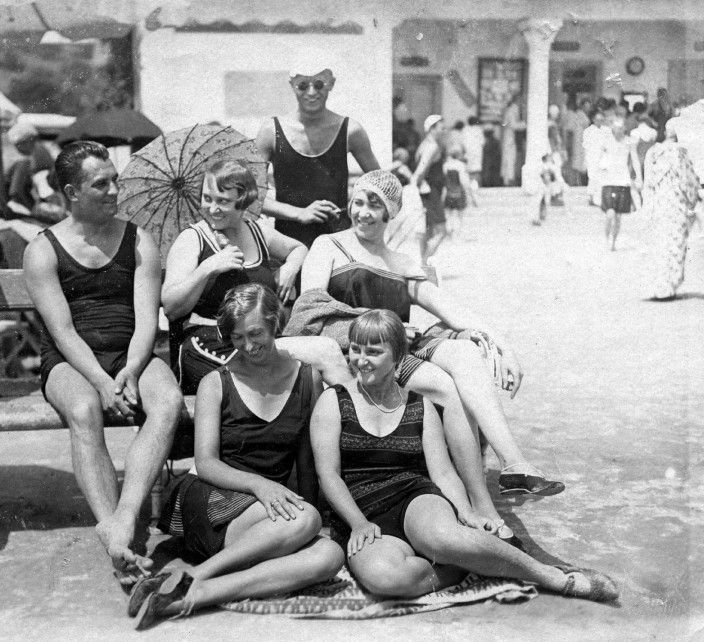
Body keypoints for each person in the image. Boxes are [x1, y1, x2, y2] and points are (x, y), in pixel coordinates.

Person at [309, 310, 619, 602]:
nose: (361, 361)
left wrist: (466, 511)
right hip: (360, 511)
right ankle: (474, 566)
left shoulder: (420, 406)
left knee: (446, 537)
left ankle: (552, 577)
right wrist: (359, 524)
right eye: (355, 350)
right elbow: (329, 475)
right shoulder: (333, 401)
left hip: (413, 499)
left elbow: (442, 473)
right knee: (387, 579)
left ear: (398, 358)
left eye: (373, 352)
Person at [299, 170, 564, 504]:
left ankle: (514, 464)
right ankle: (480, 503)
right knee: (448, 387)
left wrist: (503, 346)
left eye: (375, 204)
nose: (363, 212)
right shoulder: (330, 246)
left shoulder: (401, 261)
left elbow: (451, 308)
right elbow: (309, 310)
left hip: (398, 351)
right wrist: (383, 324)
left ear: (390, 213)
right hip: (354, 351)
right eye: (358, 201)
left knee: (466, 353)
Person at [136, 284, 343, 629]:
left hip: (266, 515)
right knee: (305, 521)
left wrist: (309, 518)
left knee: (329, 555)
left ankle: (194, 592)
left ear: (276, 322)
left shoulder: (309, 379)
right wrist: (263, 488)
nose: (248, 346)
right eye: (236, 338)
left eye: (255, 333)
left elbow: (306, 462)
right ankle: (200, 572)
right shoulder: (217, 382)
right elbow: (206, 463)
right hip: (211, 495)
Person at [23, 141, 183, 586]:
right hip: (72, 361)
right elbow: (63, 333)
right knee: (83, 410)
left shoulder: (139, 240)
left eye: (116, 180)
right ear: (71, 192)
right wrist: (100, 380)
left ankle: (123, 521)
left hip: (131, 350)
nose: (115, 190)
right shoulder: (43, 249)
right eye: (101, 184)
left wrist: (130, 370)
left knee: (167, 402)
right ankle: (113, 531)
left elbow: (147, 317)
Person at [161, 159, 307, 394]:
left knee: (315, 367)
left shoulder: (257, 230)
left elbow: (298, 248)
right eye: (207, 198)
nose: (212, 208)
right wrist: (208, 268)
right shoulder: (192, 238)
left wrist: (290, 267)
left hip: (258, 341)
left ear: (243, 202)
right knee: (273, 381)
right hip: (211, 342)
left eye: (223, 201)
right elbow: (171, 307)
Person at [255, 62, 380, 248]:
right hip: (289, 245)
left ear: (331, 83)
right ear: (292, 85)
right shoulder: (271, 131)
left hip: (340, 240)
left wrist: (358, 205)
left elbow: (382, 185)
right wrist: (299, 213)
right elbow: (250, 195)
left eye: (319, 84)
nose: (312, 92)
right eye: (303, 85)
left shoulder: (350, 130)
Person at [642, 121, 701, 300]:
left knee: (658, 243)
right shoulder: (681, 152)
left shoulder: (652, 152)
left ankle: (655, 286)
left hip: (657, 203)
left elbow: (648, 180)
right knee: (674, 244)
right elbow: (688, 180)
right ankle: (669, 287)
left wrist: (648, 204)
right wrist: (693, 201)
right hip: (676, 203)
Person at [599, 118, 642, 251]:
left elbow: (635, 160)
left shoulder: (629, 142)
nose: (618, 130)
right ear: (612, 128)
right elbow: (600, 159)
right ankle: (606, 240)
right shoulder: (606, 141)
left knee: (618, 216)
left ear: (624, 128)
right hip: (608, 182)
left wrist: (639, 178)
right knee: (609, 213)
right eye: (615, 127)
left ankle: (613, 242)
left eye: (620, 127)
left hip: (623, 181)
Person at [412, 115, 447, 259]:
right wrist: (416, 184)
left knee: (428, 229)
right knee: (441, 231)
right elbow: (421, 170)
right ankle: (423, 262)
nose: (444, 131)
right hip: (431, 191)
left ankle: (423, 263)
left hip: (428, 190)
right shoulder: (432, 147)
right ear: (432, 129)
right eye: (441, 128)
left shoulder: (424, 144)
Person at [442, 147, 474, 240]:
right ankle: (457, 234)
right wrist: (469, 191)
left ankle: (450, 231)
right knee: (460, 215)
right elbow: (463, 180)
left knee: (449, 214)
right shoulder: (461, 165)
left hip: (448, 192)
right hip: (459, 192)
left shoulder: (445, 165)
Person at [582, 111, 610, 207]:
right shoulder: (588, 131)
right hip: (592, 156)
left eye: (601, 120)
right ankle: (591, 197)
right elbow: (585, 146)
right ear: (593, 119)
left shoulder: (606, 130)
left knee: (602, 178)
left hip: (603, 157)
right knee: (592, 177)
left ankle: (599, 199)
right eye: (598, 120)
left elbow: (609, 143)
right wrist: (586, 159)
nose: (600, 122)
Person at [501, 94, 524, 186]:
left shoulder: (511, 110)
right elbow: (513, 125)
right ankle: (509, 180)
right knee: (510, 159)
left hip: (510, 138)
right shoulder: (512, 110)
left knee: (510, 159)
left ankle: (509, 179)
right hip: (509, 138)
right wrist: (525, 125)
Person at [462, 116, 485, 192]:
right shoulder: (479, 129)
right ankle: (477, 188)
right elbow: (483, 142)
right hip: (477, 152)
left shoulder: (465, 129)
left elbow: (462, 142)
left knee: (469, 171)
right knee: (477, 171)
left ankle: (469, 189)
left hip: (468, 152)